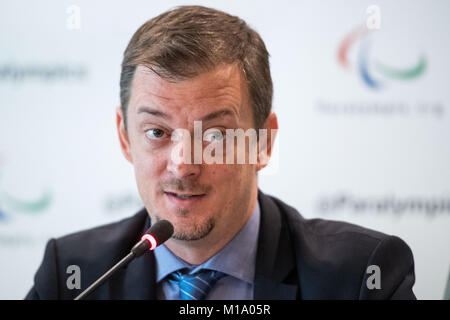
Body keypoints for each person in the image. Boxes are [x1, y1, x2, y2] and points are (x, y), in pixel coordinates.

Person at [25, 5, 416, 300]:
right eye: (158, 131)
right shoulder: (71, 274)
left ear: (263, 143)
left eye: (214, 135)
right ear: (125, 137)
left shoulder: (361, 276)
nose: (183, 164)